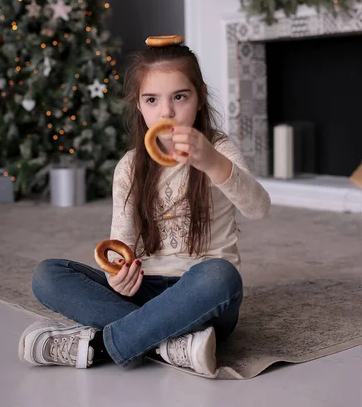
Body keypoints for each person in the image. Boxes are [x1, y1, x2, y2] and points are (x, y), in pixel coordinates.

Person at [18, 38, 271, 377]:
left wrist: (212, 163)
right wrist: (118, 276)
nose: (166, 112)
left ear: (199, 98)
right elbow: (121, 247)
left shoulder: (219, 150)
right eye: (152, 100)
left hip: (201, 296)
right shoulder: (129, 167)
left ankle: (101, 346)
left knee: (221, 276)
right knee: (47, 276)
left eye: (180, 97)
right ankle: (171, 344)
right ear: (139, 105)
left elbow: (259, 208)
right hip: (144, 291)